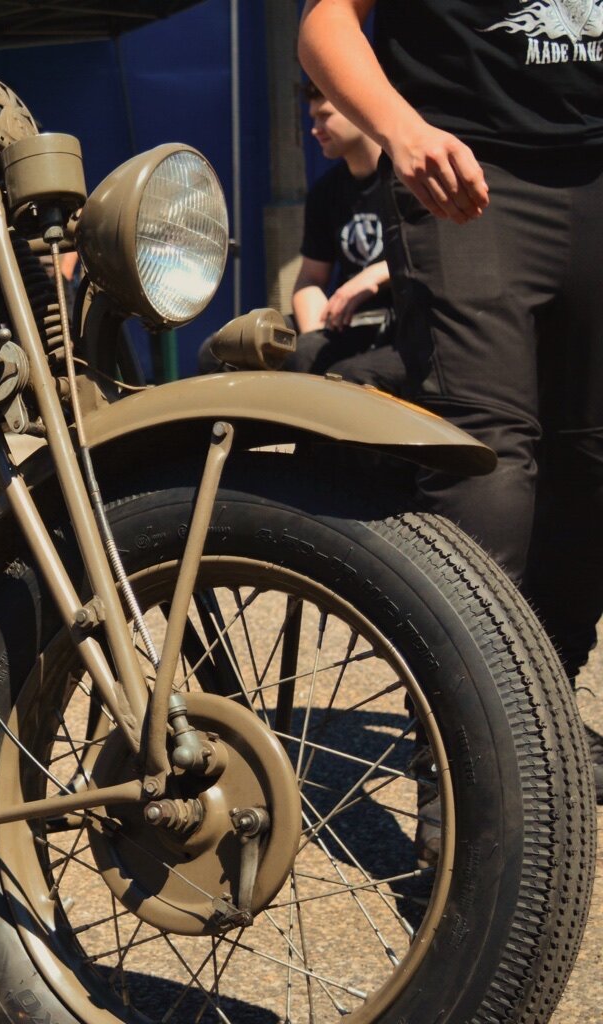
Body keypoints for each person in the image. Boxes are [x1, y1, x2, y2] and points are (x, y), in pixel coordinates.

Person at [301, 0, 603, 786]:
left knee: (593, 464)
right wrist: (401, 129)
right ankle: (467, 768)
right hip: (467, 174)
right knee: (488, 464)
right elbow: (326, 21)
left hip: (597, 174)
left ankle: (535, 710)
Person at [199, 78, 400, 392]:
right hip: (345, 322)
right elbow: (309, 280)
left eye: (325, 116)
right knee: (220, 353)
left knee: (345, 372)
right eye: (312, 118)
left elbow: (438, 264)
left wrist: (373, 275)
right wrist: (313, 336)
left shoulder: (405, 180)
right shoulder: (326, 192)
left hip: (399, 325)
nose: (315, 129)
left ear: (359, 111)